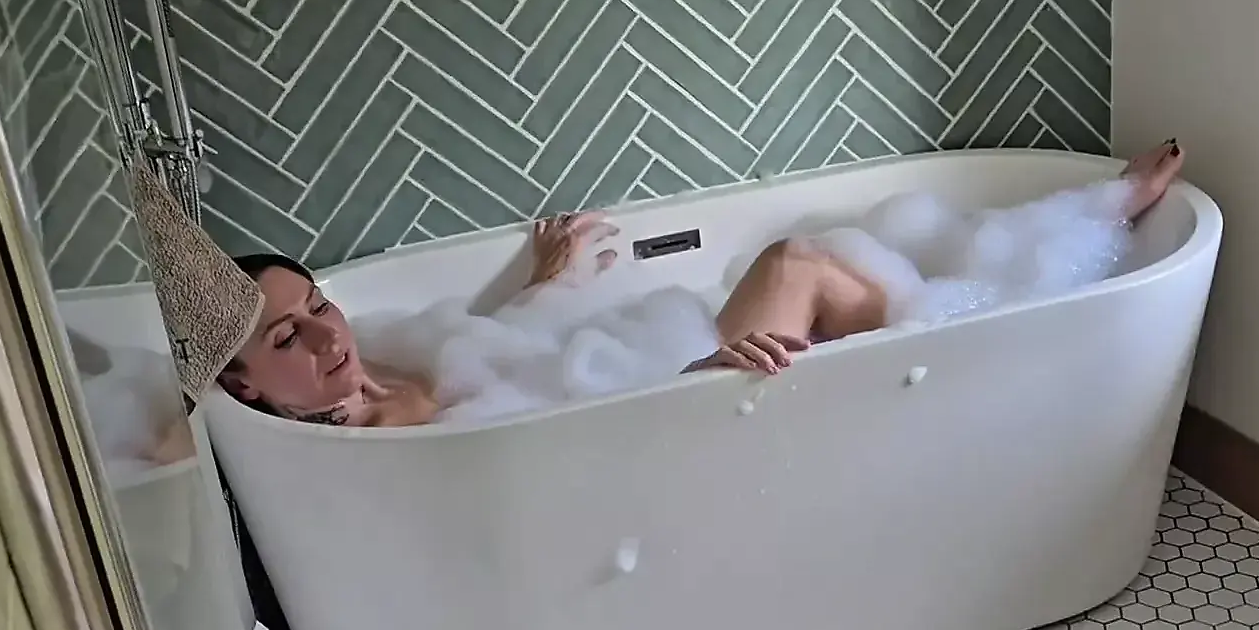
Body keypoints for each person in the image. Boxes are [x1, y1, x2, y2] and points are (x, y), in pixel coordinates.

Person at [217, 140, 1186, 428]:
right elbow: (555, 458)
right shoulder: (369, 438)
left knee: (794, 261)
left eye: (318, 305)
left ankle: (1040, 269)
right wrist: (697, 381)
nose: (328, 334)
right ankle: (1036, 300)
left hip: (648, 373)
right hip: (660, 405)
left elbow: (513, 366)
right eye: (287, 338)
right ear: (243, 387)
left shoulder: (391, 357)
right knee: (803, 269)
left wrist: (551, 285)